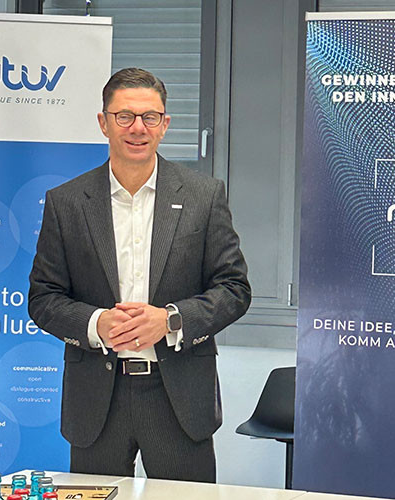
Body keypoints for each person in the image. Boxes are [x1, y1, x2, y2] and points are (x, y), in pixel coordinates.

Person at [27, 67, 252, 482]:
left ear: (164, 124)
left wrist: (170, 321)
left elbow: (234, 289)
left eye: (150, 116)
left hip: (178, 397)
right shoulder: (67, 202)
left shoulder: (204, 196)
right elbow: (44, 298)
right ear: (104, 122)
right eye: (125, 116)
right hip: (97, 399)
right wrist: (97, 324)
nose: (137, 127)